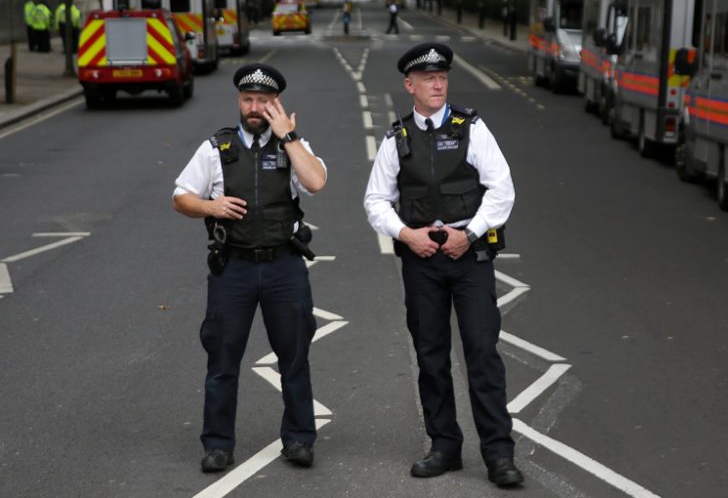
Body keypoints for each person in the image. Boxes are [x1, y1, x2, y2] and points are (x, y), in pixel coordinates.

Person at [363, 42, 524, 487]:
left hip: (469, 256)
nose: (438, 83)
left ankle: (498, 454)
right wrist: (406, 234)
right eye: (428, 78)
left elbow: (501, 189)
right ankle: (444, 447)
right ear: (409, 85)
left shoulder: (471, 128)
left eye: (443, 76)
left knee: (482, 354)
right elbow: (375, 200)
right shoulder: (397, 139)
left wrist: (468, 233)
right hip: (422, 259)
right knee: (430, 356)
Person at [172, 63, 327, 473]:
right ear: (239, 102)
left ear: (275, 104)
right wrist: (210, 205)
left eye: (263, 100)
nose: (254, 107)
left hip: (284, 267)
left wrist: (288, 136)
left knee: (294, 358)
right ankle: (218, 444)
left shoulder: (292, 145)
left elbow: (315, 182)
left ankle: (299, 439)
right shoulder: (216, 149)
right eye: (248, 100)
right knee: (222, 360)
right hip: (233, 269)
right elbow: (181, 196)